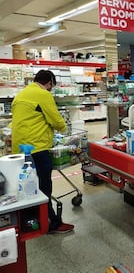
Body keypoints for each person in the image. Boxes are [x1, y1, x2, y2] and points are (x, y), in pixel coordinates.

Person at [11, 70, 74, 234]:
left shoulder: (21, 94)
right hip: (37, 147)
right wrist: (63, 128)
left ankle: (31, 220)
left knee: (27, 187)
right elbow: (56, 120)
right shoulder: (43, 94)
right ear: (50, 83)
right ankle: (52, 223)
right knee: (44, 186)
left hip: (20, 148)